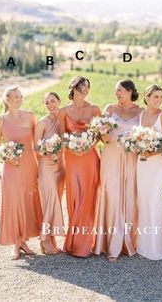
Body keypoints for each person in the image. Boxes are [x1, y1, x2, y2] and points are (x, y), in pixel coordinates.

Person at [94, 79, 142, 261]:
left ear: (130, 91)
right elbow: (102, 137)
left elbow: (145, 134)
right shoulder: (110, 109)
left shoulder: (140, 112)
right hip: (111, 156)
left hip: (131, 157)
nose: (117, 93)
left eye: (120, 90)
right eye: (116, 90)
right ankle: (110, 244)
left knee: (130, 196)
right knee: (112, 195)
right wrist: (103, 132)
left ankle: (128, 240)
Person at [0, 86, 42, 259]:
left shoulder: (31, 116)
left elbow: (38, 143)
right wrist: (7, 155)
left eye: (20, 96)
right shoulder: (0, 120)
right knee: (14, 203)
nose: (19, 99)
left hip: (29, 166)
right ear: (7, 100)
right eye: (15, 96)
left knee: (27, 202)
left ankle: (24, 240)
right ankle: (16, 243)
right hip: (11, 168)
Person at [59, 76, 101, 257]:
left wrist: (87, 147)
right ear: (73, 88)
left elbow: (99, 135)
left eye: (87, 86)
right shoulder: (63, 111)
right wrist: (73, 148)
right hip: (72, 157)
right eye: (81, 86)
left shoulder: (94, 109)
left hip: (90, 157)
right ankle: (72, 241)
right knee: (74, 197)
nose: (85, 89)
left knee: (88, 198)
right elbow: (62, 136)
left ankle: (84, 244)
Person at [136, 85, 162, 260]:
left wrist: (151, 152)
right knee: (143, 199)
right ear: (147, 97)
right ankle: (143, 243)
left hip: (158, 162)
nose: (159, 100)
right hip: (142, 162)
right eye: (156, 96)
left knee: (155, 198)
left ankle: (157, 245)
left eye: (161, 97)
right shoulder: (141, 114)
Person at [34, 92, 65, 254]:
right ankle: (44, 240)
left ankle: (51, 240)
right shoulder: (42, 123)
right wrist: (47, 154)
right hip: (46, 167)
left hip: (61, 167)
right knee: (49, 203)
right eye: (47, 103)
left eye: (53, 101)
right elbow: (36, 148)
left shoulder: (62, 120)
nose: (50, 105)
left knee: (55, 203)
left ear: (59, 101)